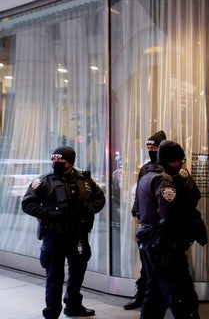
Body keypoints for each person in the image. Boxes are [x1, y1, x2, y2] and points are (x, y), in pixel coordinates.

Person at [22, 146, 106, 319]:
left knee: (77, 273)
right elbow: (27, 204)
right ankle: (52, 312)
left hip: (78, 235)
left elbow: (100, 198)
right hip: (54, 236)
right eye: (54, 160)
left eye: (61, 161)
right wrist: (49, 214)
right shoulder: (45, 181)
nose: (56, 163)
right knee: (55, 276)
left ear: (70, 162)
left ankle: (73, 306)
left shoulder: (85, 180)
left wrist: (89, 209)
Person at [134, 140, 204, 319]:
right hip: (165, 245)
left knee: (155, 295)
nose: (182, 163)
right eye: (180, 159)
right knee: (181, 293)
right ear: (172, 160)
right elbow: (169, 215)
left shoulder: (146, 176)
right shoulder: (164, 181)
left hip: (151, 242)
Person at [124, 130, 166, 310]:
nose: (151, 150)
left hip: (164, 227)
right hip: (147, 226)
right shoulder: (145, 169)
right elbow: (139, 195)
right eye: (149, 147)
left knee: (165, 266)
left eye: (154, 147)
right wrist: (136, 213)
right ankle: (142, 296)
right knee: (146, 265)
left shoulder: (170, 169)